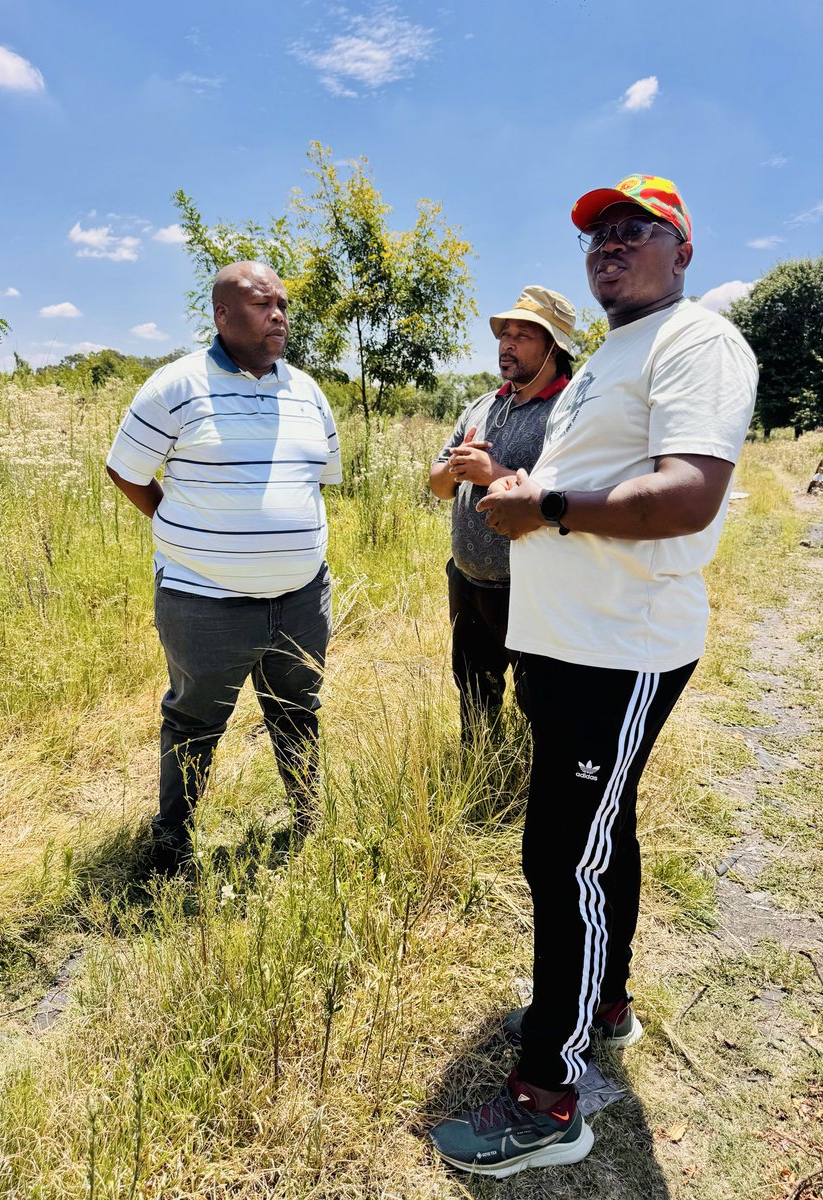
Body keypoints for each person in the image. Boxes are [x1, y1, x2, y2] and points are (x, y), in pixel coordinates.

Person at [429, 175, 758, 1176]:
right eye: (598, 236)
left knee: (557, 857)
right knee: (597, 838)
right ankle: (605, 1001)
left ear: (682, 250)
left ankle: (548, 1097)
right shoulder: (616, 354)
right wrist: (516, 492)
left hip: (622, 649)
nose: (610, 247)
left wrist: (549, 508)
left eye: (635, 231)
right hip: (567, 644)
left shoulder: (698, 343)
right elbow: (573, 483)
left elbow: (686, 494)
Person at [106, 261, 342, 875]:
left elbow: (320, 481)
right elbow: (126, 471)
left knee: (299, 710)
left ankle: (309, 818)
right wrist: (177, 531)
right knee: (194, 721)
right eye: (264, 304)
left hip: (301, 598)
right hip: (204, 604)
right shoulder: (175, 386)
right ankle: (171, 846)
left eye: (283, 304)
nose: (279, 316)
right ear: (221, 314)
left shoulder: (308, 392)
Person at [428, 286, 576, 742]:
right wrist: (455, 469)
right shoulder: (483, 405)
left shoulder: (567, 413)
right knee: (473, 689)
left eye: (523, 335)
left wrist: (493, 471)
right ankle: (479, 773)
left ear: (554, 346)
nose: (506, 344)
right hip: (467, 580)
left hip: (532, 588)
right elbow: (437, 486)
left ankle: (541, 793)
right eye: (504, 334)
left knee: (541, 702)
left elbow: (569, 499)